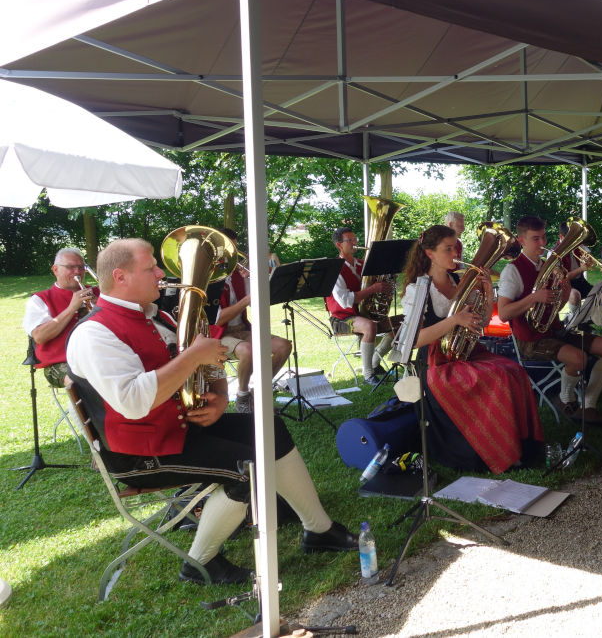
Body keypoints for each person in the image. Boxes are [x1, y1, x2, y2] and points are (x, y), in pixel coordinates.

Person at [66, 239, 357, 587]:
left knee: (270, 427)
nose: (160, 273)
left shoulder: (155, 315)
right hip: (140, 454)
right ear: (120, 277)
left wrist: (219, 396)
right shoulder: (94, 334)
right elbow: (134, 401)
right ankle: (198, 563)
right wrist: (192, 356)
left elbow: (210, 355)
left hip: (180, 429)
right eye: (150, 268)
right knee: (245, 470)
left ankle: (319, 529)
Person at [399, 225, 544, 472]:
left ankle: (521, 446)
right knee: (497, 377)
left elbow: (483, 322)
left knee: (514, 371)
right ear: (430, 253)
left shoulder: (458, 280)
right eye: (448, 249)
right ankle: (497, 451)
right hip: (436, 362)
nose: (456, 253)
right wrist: (454, 320)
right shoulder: (418, 289)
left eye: (456, 247)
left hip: (465, 352)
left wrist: (486, 290)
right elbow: (415, 340)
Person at [498, 215, 602, 426]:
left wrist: (564, 296)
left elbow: (555, 306)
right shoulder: (512, 271)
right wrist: (533, 298)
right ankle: (566, 399)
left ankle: (588, 404)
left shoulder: (546, 266)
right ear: (521, 241)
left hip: (553, 330)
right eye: (536, 239)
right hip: (529, 340)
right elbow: (503, 313)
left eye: (544, 237)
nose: (542, 243)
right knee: (578, 358)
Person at [215, 228, 292, 413]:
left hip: (241, 329)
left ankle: (259, 391)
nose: (234, 253)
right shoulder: (210, 277)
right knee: (248, 351)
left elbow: (258, 301)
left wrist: (256, 276)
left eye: (235, 248)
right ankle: (242, 396)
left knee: (284, 346)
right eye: (229, 249)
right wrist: (247, 299)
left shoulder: (238, 273)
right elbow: (218, 320)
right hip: (218, 335)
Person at [326, 227, 395, 386]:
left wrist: (387, 281)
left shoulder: (363, 264)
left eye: (355, 239)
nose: (354, 242)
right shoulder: (335, 269)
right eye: (349, 240)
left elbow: (379, 284)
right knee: (369, 326)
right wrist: (373, 289)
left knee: (403, 322)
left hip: (364, 315)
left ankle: (375, 361)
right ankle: (368, 374)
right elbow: (345, 301)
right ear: (339, 245)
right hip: (341, 319)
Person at [22, 248, 98, 387]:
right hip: (61, 362)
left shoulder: (98, 292)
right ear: (55, 270)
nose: (77, 272)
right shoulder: (40, 299)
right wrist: (71, 308)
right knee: (84, 383)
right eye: (70, 267)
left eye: (81, 267)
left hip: (98, 355)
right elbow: (39, 336)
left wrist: (101, 306)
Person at [558, 220, 593, 322]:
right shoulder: (554, 253)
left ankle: (577, 319)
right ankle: (574, 321)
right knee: (575, 296)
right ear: (561, 237)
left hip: (580, 281)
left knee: (600, 295)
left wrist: (589, 260)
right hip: (564, 285)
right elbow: (563, 277)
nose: (574, 242)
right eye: (571, 239)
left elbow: (589, 256)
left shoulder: (578, 245)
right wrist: (581, 269)